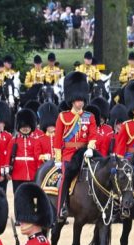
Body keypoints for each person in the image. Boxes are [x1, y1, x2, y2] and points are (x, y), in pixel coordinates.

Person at [54, 71, 97, 220]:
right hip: (69, 155)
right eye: (78, 100)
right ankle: (61, 208)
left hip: (85, 152)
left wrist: (91, 149)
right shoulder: (63, 117)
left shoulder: (89, 117)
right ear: (72, 100)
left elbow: (92, 135)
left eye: (82, 100)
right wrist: (58, 159)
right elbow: (58, 140)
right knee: (65, 177)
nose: (80, 103)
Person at [6, 109, 41, 194]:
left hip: (32, 173)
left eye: (28, 127)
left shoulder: (35, 141)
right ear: (19, 127)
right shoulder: (13, 141)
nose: (25, 129)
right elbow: (8, 157)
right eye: (23, 127)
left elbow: (37, 157)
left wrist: (39, 171)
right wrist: (7, 171)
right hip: (17, 174)